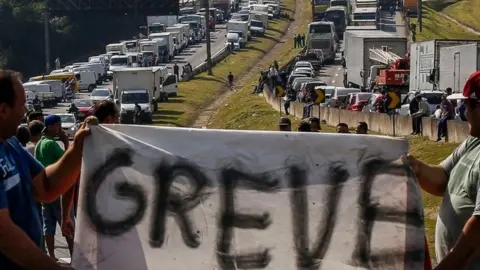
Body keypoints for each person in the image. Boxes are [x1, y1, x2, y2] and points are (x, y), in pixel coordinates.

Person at [0, 70, 87, 269]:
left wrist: (77, 149)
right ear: (3, 110)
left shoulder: (11, 143)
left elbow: (46, 187)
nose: (24, 113)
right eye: (22, 105)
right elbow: (3, 233)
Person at [407, 71, 480, 270]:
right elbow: (442, 179)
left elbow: (477, 233)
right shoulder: (474, 142)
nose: (464, 108)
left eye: (468, 103)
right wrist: (415, 167)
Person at [35, 115, 75, 261]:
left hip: (46, 191)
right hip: (58, 191)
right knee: (67, 223)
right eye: (58, 125)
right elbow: (68, 161)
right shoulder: (51, 144)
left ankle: (51, 255)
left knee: (48, 225)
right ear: (50, 126)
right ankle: (73, 255)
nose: (60, 128)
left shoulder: (40, 142)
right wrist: (66, 142)